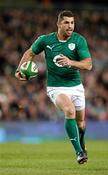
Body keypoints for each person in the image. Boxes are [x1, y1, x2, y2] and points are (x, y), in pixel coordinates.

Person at [15, 10, 92, 164]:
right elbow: (30, 53)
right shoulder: (45, 40)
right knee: (69, 110)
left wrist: (71, 62)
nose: (70, 26)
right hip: (56, 87)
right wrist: (19, 69)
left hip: (76, 86)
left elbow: (88, 65)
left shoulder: (79, 40)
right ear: (58, 24)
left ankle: (82, 144)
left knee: (81, 124)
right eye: (66, 23)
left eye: (72, 23)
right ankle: (79, 152)